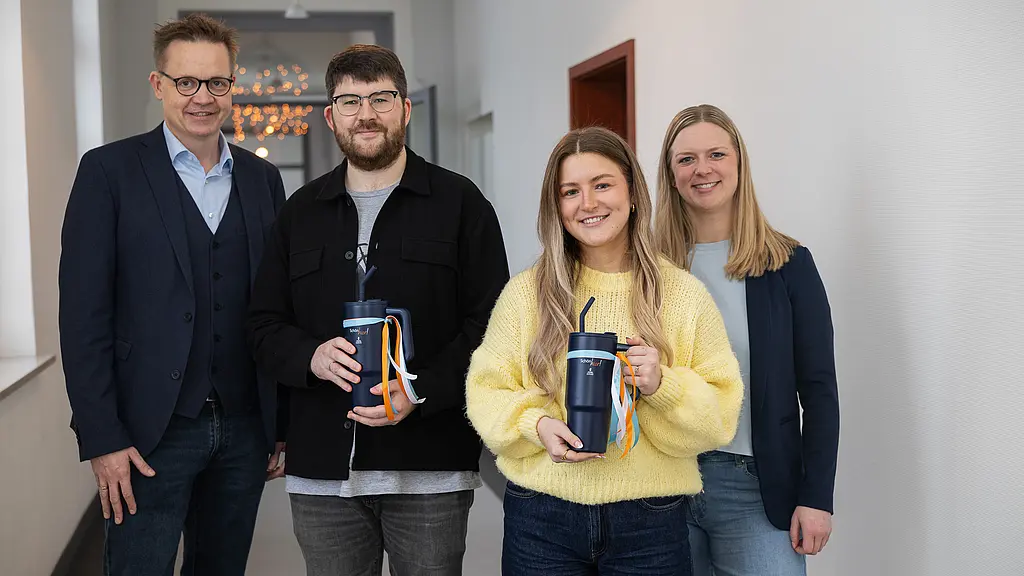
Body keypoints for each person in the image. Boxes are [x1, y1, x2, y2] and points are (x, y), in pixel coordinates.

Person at [246, 44, 510, 576]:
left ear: (406, 109)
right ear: (331, 117)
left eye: (381, 98)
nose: (366, 114)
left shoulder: (461, 204)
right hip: (322, 469)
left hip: (430, 467)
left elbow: (494, 324)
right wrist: (311, 357)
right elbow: (262, 323)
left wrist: (420, 389)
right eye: (350, 101)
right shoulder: (300, 213)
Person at [58, 13, 287, 576]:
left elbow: (277, 307)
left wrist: (283, 422)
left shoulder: (264, 183)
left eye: (216, 83)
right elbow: (83, 316)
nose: (202, 97)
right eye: (186, 82)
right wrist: (102, 438)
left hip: (243, 429)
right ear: (158, 84)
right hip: (145, 433)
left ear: (233, 88)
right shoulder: (108, 172)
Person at [464, 126, 744, 575]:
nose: (588, 203)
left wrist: (662, 384)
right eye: (570, 191)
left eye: (602, 185)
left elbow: (720, 418)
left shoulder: (683, 295)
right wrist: (538, 425)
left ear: (632, 191)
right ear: (556, 207)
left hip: (649, 520)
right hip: (541, 516)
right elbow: (485, 393)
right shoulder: (526, 295)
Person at [653, 104, 840, 575]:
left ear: (739, 162)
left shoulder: (788, 264)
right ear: (670, 173)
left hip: (756, 488)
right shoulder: (649, 270)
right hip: (662, 484)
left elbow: (819, 390)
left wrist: (817, 497)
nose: (703, 170)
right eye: (686, 159)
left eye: (716, 153)